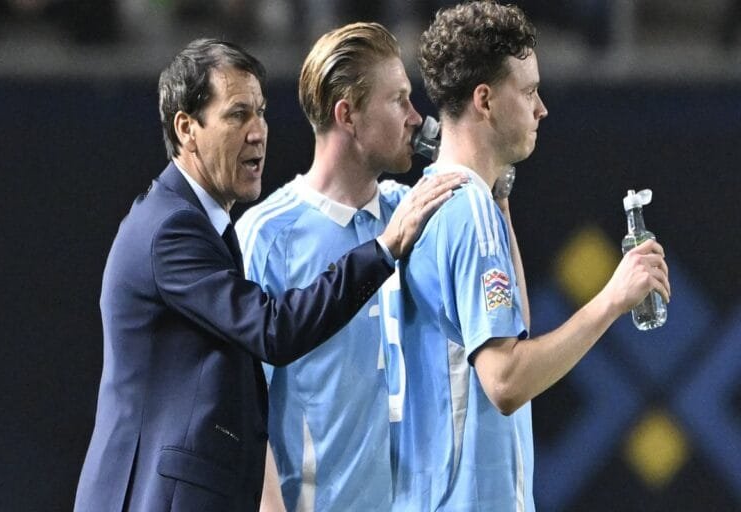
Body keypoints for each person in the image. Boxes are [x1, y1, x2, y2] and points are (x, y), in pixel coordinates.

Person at [73, 38, 466, 512]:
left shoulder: (203, 225)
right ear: (187, 128)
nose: (258, 131)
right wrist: (383, 250)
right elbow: (273, 329)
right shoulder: (171, 229)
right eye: (237, 114)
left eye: (260, 112)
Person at [387, 2, 672, 510]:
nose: (542, 108)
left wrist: (502, 200)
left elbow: (511, 327)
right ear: (485, 100)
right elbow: (506, 380)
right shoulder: (467, 211)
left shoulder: (452, 199)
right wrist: (611, 299)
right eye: (529, 91)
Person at [235, 22, 422, 511]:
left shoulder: (416, 214)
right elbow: (239, 405)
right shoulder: (266, 236)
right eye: (398, 100)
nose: (416, 117)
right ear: (348, 115)